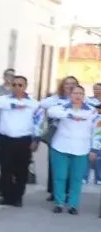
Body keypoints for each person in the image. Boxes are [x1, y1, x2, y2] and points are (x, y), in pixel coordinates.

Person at [0, 76, 38, 207]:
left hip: (24, 140)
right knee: (6, 169)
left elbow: (38, 122)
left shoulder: (33, 103)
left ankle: (18, 197)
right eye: (14, 85)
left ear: (25, 87)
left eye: (20, 85)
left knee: (21, 171)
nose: (17, 88)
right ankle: (7, 196)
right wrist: (14, 104)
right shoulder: (3, 100)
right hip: (6, 139)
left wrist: (36, 139)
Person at [45, 84, 97, 214]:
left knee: (76, 178)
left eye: (80, 93)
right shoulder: (61, 108)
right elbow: (50, 111)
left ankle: (73, 205)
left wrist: (94, 150)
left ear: (84, 96)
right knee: (60, 177)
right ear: (70, 95)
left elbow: (96, 132)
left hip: (81, 149)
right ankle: (59, 203)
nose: (78, 96)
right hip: (60, 147)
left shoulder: (91, 111)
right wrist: (69, 115)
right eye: (75, 93)